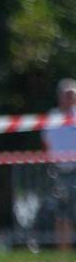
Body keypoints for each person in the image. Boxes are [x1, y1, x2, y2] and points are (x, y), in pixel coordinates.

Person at [43, 78, 76, 251]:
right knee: (60, 212)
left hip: (75, 170)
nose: (70, 99)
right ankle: (62, 250)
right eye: (67, 95)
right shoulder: (52, 117)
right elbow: (46, 143)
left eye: (73, 95)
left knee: (72, 211)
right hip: (58, 170)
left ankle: (69, 249)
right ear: (60, 97)